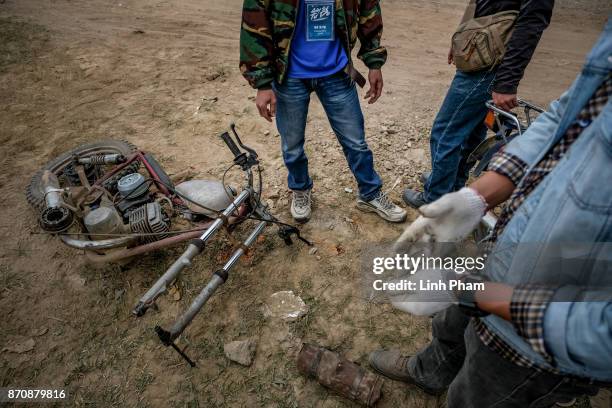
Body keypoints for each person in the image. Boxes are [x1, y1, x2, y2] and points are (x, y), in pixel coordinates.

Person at [370, 21, 612, 407]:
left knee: (475, 395)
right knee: (451, 326)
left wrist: (486, 296)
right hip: (509, 249)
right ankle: (430, 372)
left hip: (538, 343)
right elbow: (566, 115)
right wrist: (477, 196)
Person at [239, 0, 406, 223]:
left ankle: (370, 193)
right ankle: (300, 189)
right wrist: (262, 83)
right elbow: (253, 25)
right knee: (292, 146)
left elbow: (369, 11)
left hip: (337, 73)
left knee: (356, 142)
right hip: (289, 76)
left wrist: (374, 63)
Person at [403, 0, 554, 209]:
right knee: (470, 134)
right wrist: (463, 38)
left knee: (446, 132)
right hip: (481, 49)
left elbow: (531, 24)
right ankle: (450, 186)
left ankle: (435, 199)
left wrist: (506, 83)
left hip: (490, 63)